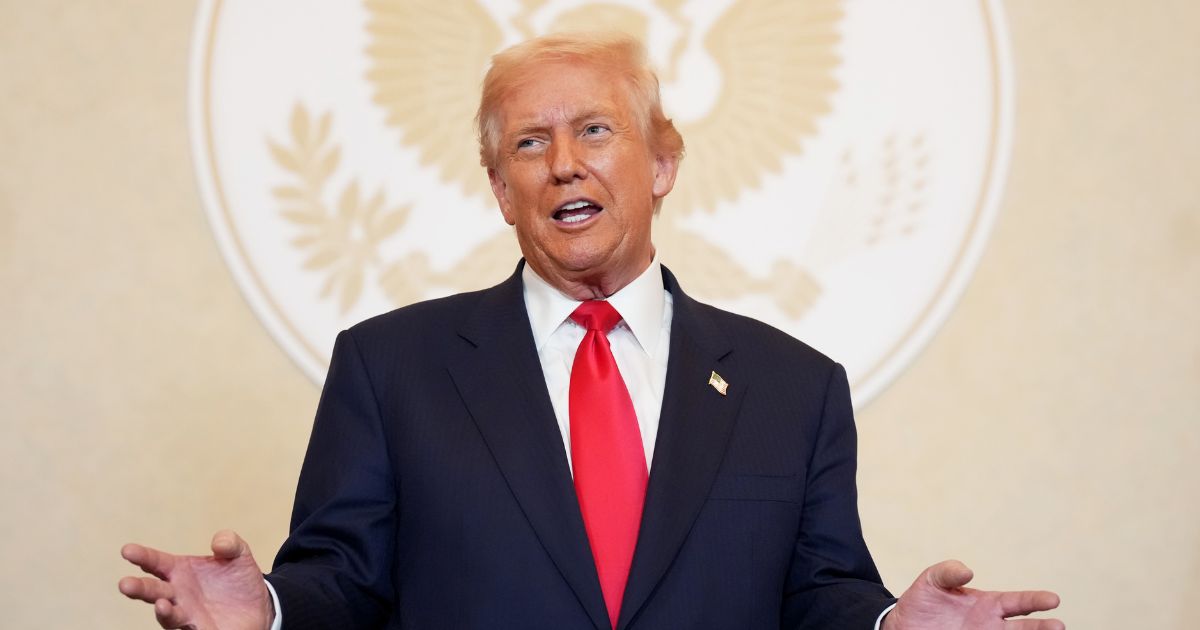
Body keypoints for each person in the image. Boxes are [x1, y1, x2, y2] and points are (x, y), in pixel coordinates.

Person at [119, 33, 1064, 630]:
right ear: (503, 192)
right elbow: (344, 581)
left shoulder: (795, 386)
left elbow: (819, 593)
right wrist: (269, 610)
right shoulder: (389, 366)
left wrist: (889, 626)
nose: (564, 164)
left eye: (596, 131)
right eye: (530, 144)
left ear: (662, 165)